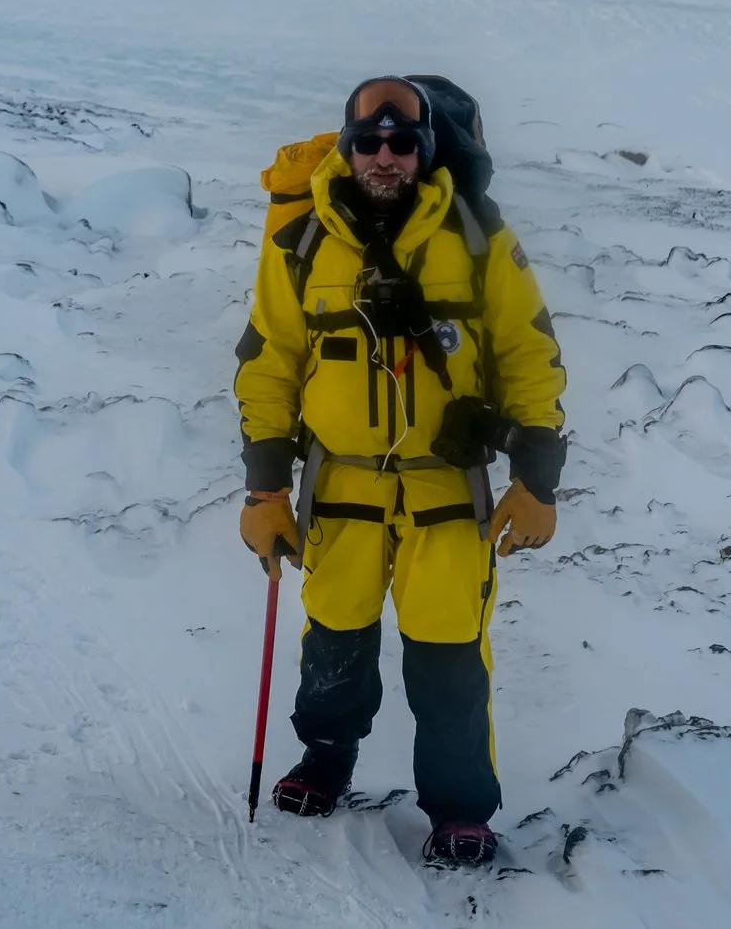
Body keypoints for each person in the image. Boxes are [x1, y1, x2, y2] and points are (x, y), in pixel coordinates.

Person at [233, 76, 569, 870]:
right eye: (369, 142)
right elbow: (269, 362)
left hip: (446, 486)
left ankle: (459, 807)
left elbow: (529, 352)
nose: (385, 156)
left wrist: (537, 477)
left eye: (403, 142)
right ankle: (325, 758)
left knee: (450, 651)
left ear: (427, 150)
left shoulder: (480, 236)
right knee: (335, 636)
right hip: (340, 484)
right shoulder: (302, 241)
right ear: (348, 148)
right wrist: (265, 487)